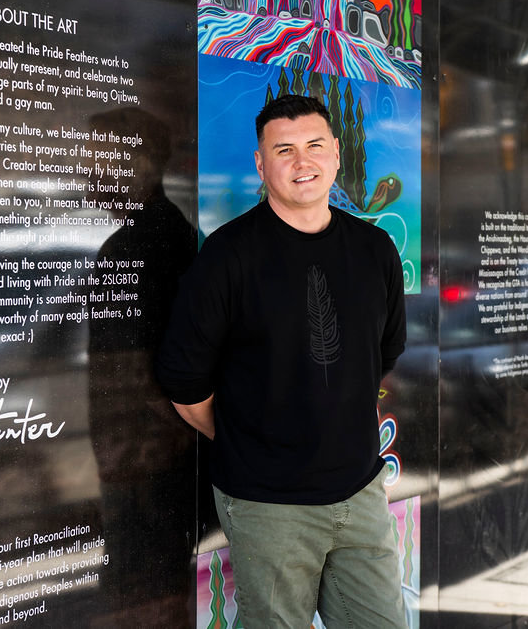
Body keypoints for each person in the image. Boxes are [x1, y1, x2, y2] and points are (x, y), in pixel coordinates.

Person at [157, 94, 408, 627]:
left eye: (315, 145)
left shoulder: (375, 249)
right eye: (284, 149)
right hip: (269, 507)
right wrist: (249, 441)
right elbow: (184, 380)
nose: (302, 162)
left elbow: (381, 352)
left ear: (337, 153)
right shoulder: (227, 256)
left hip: (360, 492)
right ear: (261, 164)